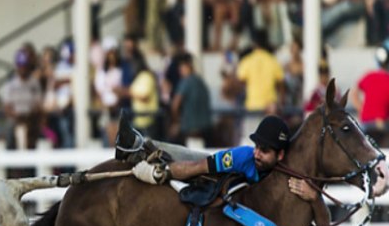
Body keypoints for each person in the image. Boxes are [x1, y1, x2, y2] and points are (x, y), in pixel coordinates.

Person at [118, 115, 319, 206]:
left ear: (281, 155)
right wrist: (162, 173)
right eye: (257, 147)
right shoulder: (244, 156)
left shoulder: (291, 171)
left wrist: (315, 197)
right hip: (218, 176)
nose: (257, 153)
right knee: (192, 159)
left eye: (264, 151)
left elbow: (325, 223)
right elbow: (197, 167)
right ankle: (138, 144)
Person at [167, 53, 212, 145]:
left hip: (189, 130)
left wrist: (176, 123)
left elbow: (175, 105)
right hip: (206, 129)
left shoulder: (185, 82)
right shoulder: (201, 82)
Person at [351, 38, 389, 132]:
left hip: (366, 124)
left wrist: (361, 108)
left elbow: (353, 93)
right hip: (383, 125)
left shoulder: (369, 76)